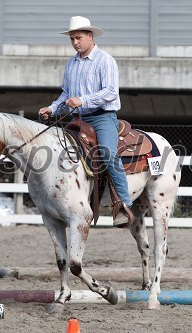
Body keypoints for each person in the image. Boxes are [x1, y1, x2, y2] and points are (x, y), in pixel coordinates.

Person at [39, 16, 133, 228]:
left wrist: (82, 100)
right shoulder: (71, 63)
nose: (75, 42)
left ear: (90, 36)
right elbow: (66, 94)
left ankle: (124, 204)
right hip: (78, 119)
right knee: (58, 152)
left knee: (108, 153)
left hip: (102, 117)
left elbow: (110, 92)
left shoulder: (105, 60)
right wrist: (52, 109)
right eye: (72, 39)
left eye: (78, 38)